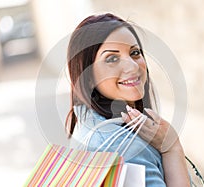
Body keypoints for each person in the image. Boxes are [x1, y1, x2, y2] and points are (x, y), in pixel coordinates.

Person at [65, 13, 190, 186]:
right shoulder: (117, 144)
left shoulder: (88, 122)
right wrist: (172, 148)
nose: (132, 66)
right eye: (112, 59)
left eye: (135, 53)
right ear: (88, 76)